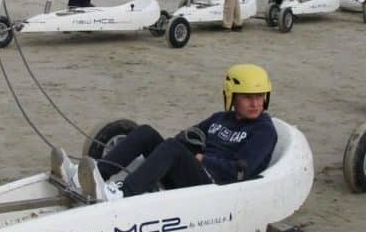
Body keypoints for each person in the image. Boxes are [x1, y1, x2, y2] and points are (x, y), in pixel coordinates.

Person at [52, 64, 277, 202]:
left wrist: (203, 159)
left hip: (216, 188)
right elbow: (188, 137)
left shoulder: (263, 130)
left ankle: (123, 193)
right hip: (195, 174)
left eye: (259, 97)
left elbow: (241, 172)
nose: (255, 103)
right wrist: (189, 150)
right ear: (233, 96)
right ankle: (94, 176)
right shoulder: (220, 118)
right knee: (147, 133)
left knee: (172, 149)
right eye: (248, 97)